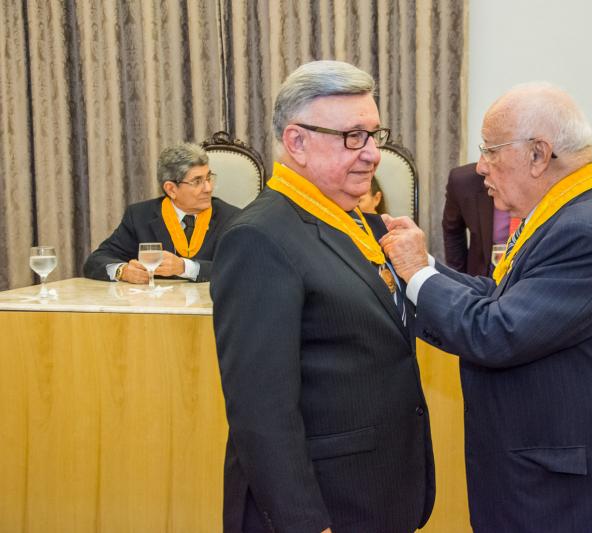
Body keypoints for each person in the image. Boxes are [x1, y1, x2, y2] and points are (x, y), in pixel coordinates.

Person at [380, 83, 592, 532]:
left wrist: (418, 273)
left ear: (538, 154)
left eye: (490, 151)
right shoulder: (574, 212)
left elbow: (496, 332)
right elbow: (501, 297)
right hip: (556, 485)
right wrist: (423, 269)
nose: (481, 166)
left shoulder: (589, 231)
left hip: (578, 499)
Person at [211, 60, 434, 533]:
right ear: (296, 142)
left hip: (375, 494)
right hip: (322, 507)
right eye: (353, 137)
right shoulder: (259, 237)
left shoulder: (361, 224)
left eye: (374, 135)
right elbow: (261, 411)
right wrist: (306, 524)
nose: (373, 154)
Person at [83, 143, 240, 283]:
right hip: (154, 305)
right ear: (171, 189)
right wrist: (122, 271)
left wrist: (185, 267)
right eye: (197, 181)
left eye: (208, 178)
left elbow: (238, 268)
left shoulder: (231, 217)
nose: (208, 188)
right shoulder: (140, 216)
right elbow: (96, 260)